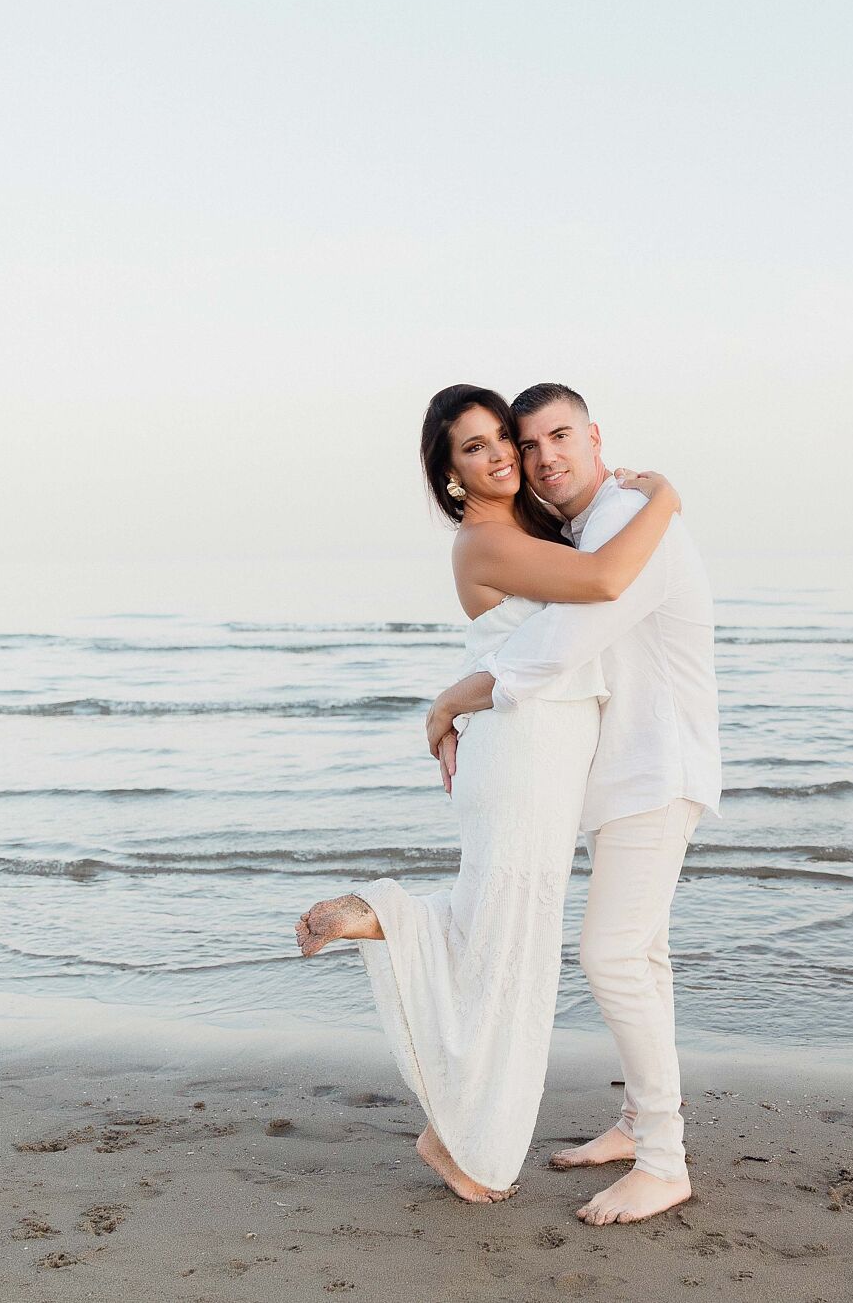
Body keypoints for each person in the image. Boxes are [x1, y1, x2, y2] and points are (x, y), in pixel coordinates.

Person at [293, 384, 680, 1204]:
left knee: (507, 934)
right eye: (474, 447)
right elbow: (609, 578)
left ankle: (454, 1117)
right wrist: (670, 498)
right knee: (511, 943)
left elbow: (550, 635)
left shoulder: (526, 529)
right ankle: (396, 925)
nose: (503, 452)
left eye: (503, 435)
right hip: (524, 750)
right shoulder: (484, 542)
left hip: (537, 745)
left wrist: (447, 700)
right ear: (451, 474)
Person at [425, 382, 720, 1226]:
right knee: (643, 956)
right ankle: (638, 1123)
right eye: (530, 442)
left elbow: (556, 647)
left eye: (561, 435)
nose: (543, 456)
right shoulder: (590, 526)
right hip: (627, 772)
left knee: (611, 956)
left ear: (595, 437)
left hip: (656, 769)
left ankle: (665, 1159)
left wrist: (455, 697)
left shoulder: (630, 519)